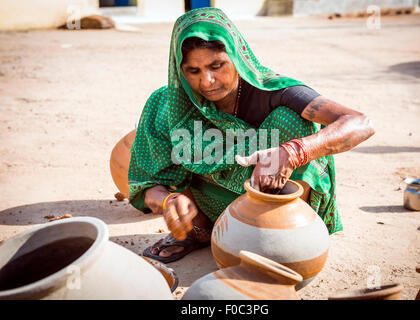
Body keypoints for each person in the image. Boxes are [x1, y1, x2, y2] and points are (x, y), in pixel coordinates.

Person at [128, 8, 375, 263]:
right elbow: (146, 184)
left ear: (236, 57)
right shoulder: (168, 104)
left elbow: (360, 123)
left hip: (268, 200)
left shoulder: (274, 91)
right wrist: (168, 200)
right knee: (169, 123)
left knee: (295, 121)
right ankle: (199, 233)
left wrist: (291, 153)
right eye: (194, 71)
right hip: (204, 207)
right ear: (180, 70)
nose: (208, 81)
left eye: (217, 65)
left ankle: (278, 236)